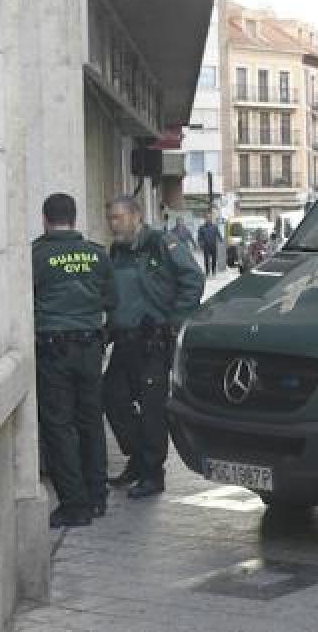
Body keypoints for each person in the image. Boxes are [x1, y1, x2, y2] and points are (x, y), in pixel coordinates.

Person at [104, 195, 205, 498]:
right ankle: (137, 459)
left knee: (152, 411)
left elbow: (193, 278)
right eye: (110, 218)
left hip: (153, 342)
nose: (113, 224)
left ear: (136, 216)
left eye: (118, 217)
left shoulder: (162, 244)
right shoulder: (117, 251)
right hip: (123, 341)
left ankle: (152, 474)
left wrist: (175, 320)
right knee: (111, 397)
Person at [32, 193, 115, 527]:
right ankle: (97, 496)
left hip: (54, 349)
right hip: (90, 347)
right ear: (75, 218)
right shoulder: (97, 254)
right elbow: (112, 299)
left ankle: (74, 504)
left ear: (45, 219)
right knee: (91, 420)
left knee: (58, 425)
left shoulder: (37, 255)